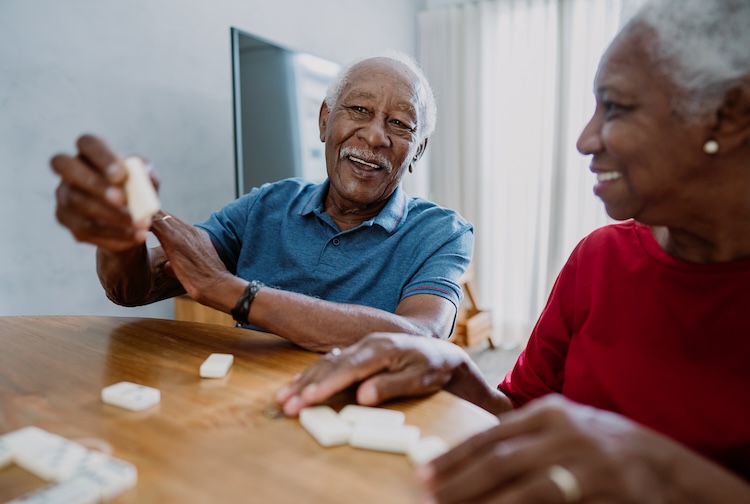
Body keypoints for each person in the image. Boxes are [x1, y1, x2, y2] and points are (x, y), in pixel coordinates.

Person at [275, 0, 750, 501]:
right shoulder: (599, 259)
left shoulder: (439, 230)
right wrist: (457, 370)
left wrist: (660, 469)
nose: (586, 140)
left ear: (728, 116)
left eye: (616, 107)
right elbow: (517, 415)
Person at [50, 53, 473, 352]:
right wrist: (121, 235)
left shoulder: (441, 233)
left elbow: (420, 338)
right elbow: (133, 288)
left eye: (400, 124)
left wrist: (234, 292)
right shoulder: (267, 206)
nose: (376, 135)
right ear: (325, 120)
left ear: (417, 150)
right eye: (359, 109)